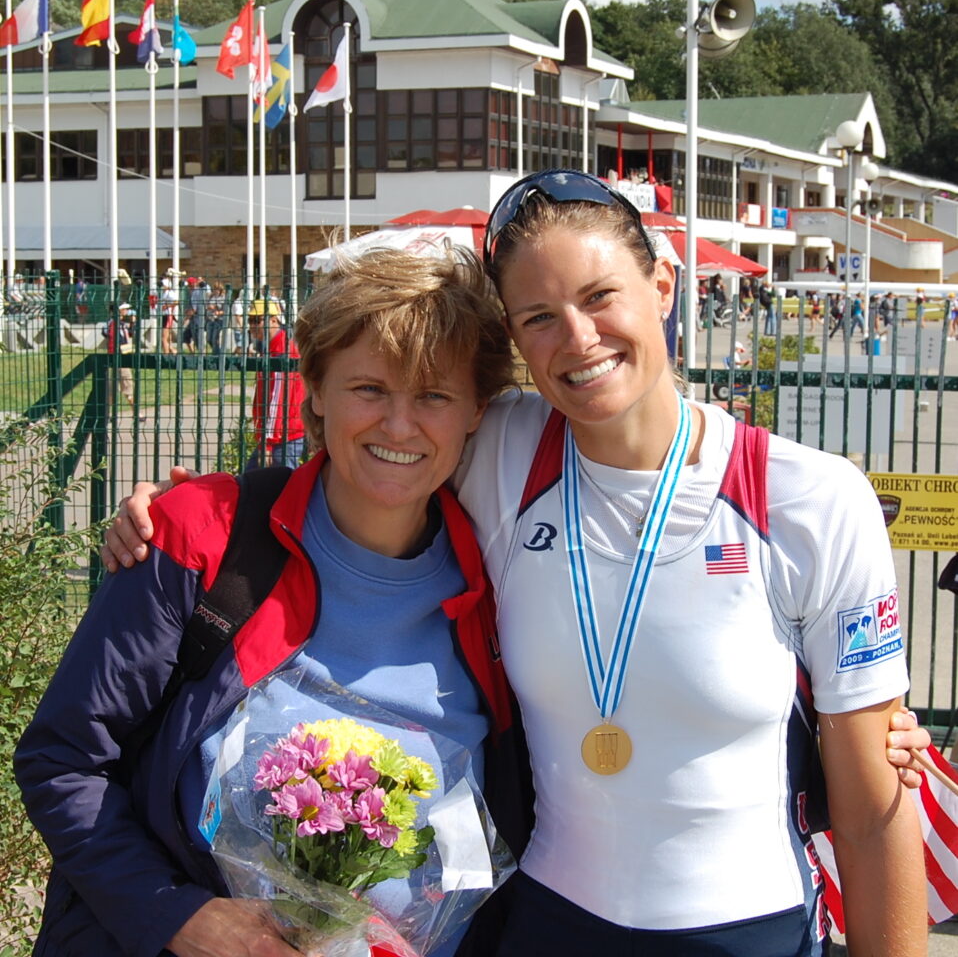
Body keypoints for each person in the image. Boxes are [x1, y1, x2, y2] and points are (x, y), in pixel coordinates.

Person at [104, 172, 932, 957]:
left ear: (664, 288)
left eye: (601, 296)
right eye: (537, 316)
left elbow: (870, 816)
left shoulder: (810, 501)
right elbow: (363, 458)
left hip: (748, 930)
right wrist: (182, 506)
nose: (578, 338)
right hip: (544, 925)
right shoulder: (500, 450)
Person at [14, 249, 526, 957]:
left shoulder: (506, 588)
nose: (400, 426)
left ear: (477, 411)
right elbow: (62, 760)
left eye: (434, 395)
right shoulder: (208, 538)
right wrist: (179, 918)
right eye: (370, 388)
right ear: (314, 388)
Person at [247, 298, 308, 469]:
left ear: (273, 320)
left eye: (257, 320)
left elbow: (276, 401)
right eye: (250, 320)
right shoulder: (274, 348)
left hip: (282, 436)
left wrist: (266, 442)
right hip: (283, 433)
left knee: (282, 486)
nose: (252, 325)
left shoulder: (281, 352)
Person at [102, 303, 143, 421]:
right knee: (126, 386)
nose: (126, 311)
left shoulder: (116, 324)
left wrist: (133, 324)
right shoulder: (115, 324)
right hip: (120, 358)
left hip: (118, 358)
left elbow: (129, 333)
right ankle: (136, 413)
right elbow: (118, 339)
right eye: (124, 309)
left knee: (113, 388)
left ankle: (109, 414)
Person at [206, 281, 227, 355]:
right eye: (214, 289)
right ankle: (217, 351)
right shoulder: (211, 297)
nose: (215, 291)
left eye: (217, 289)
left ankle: (216, 354)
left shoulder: (223, 298)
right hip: (210, 319)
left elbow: (225, 311)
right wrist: (209, 307)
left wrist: (218, 312)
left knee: (215, 338)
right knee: (209, 339)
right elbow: (207, 306)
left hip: (218, 320)